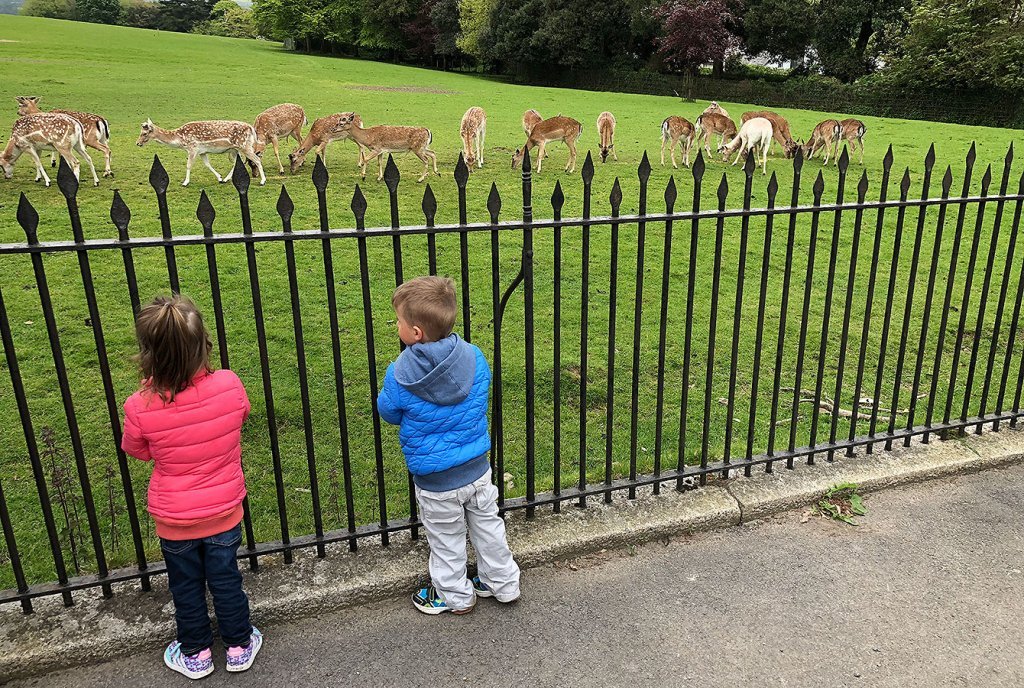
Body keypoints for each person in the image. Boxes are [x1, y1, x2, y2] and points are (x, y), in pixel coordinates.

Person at [121, 295, 262, 679]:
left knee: (185, 587)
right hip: (224, 512)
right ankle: (238, 646)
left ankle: (196, 654)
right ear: (204, 346)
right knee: (226, 580)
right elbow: (242, 414)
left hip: (175, 519)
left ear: (149, 354)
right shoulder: (229, 385)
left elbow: (137, 450)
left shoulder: (140, 405)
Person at [377, 276, 521, 614]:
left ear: (415, 333)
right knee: (488, 527)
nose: (396, 325)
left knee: (446, 540)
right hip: (477, 469)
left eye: (398, 320)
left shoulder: (400, 373)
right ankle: (503, 583)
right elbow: (480, 393)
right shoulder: (474, 356)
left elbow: (389, 412)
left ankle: (455, 597)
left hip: (436, 480)